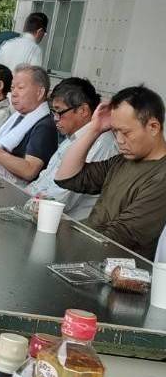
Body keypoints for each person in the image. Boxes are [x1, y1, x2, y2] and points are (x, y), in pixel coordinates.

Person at [55, 86, 166, 259]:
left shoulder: (161, 176)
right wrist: (95, 129)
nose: (119, 140)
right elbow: (67, 178)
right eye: (115, 131)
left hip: (114, 264)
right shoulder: (122, 161)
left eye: (126, 132)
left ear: (153, 127)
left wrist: (64, 231)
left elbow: (120, 236)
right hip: (89, 251)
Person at [26, 78, 118, 219]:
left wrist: (30, 201)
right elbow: (45, 178)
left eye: (59, 112)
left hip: (66, 223)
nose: (55, 118)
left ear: (83, 110)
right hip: (40, 210)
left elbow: (60, 199)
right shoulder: (73, 136)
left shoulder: (100, 143)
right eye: (53, 112)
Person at [0, 65, 58, 186]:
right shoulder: (18, 116)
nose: (14, 93)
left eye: (20, 88)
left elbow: (30, 171)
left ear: (40, 92)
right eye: (12, 88)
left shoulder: (44, 126)